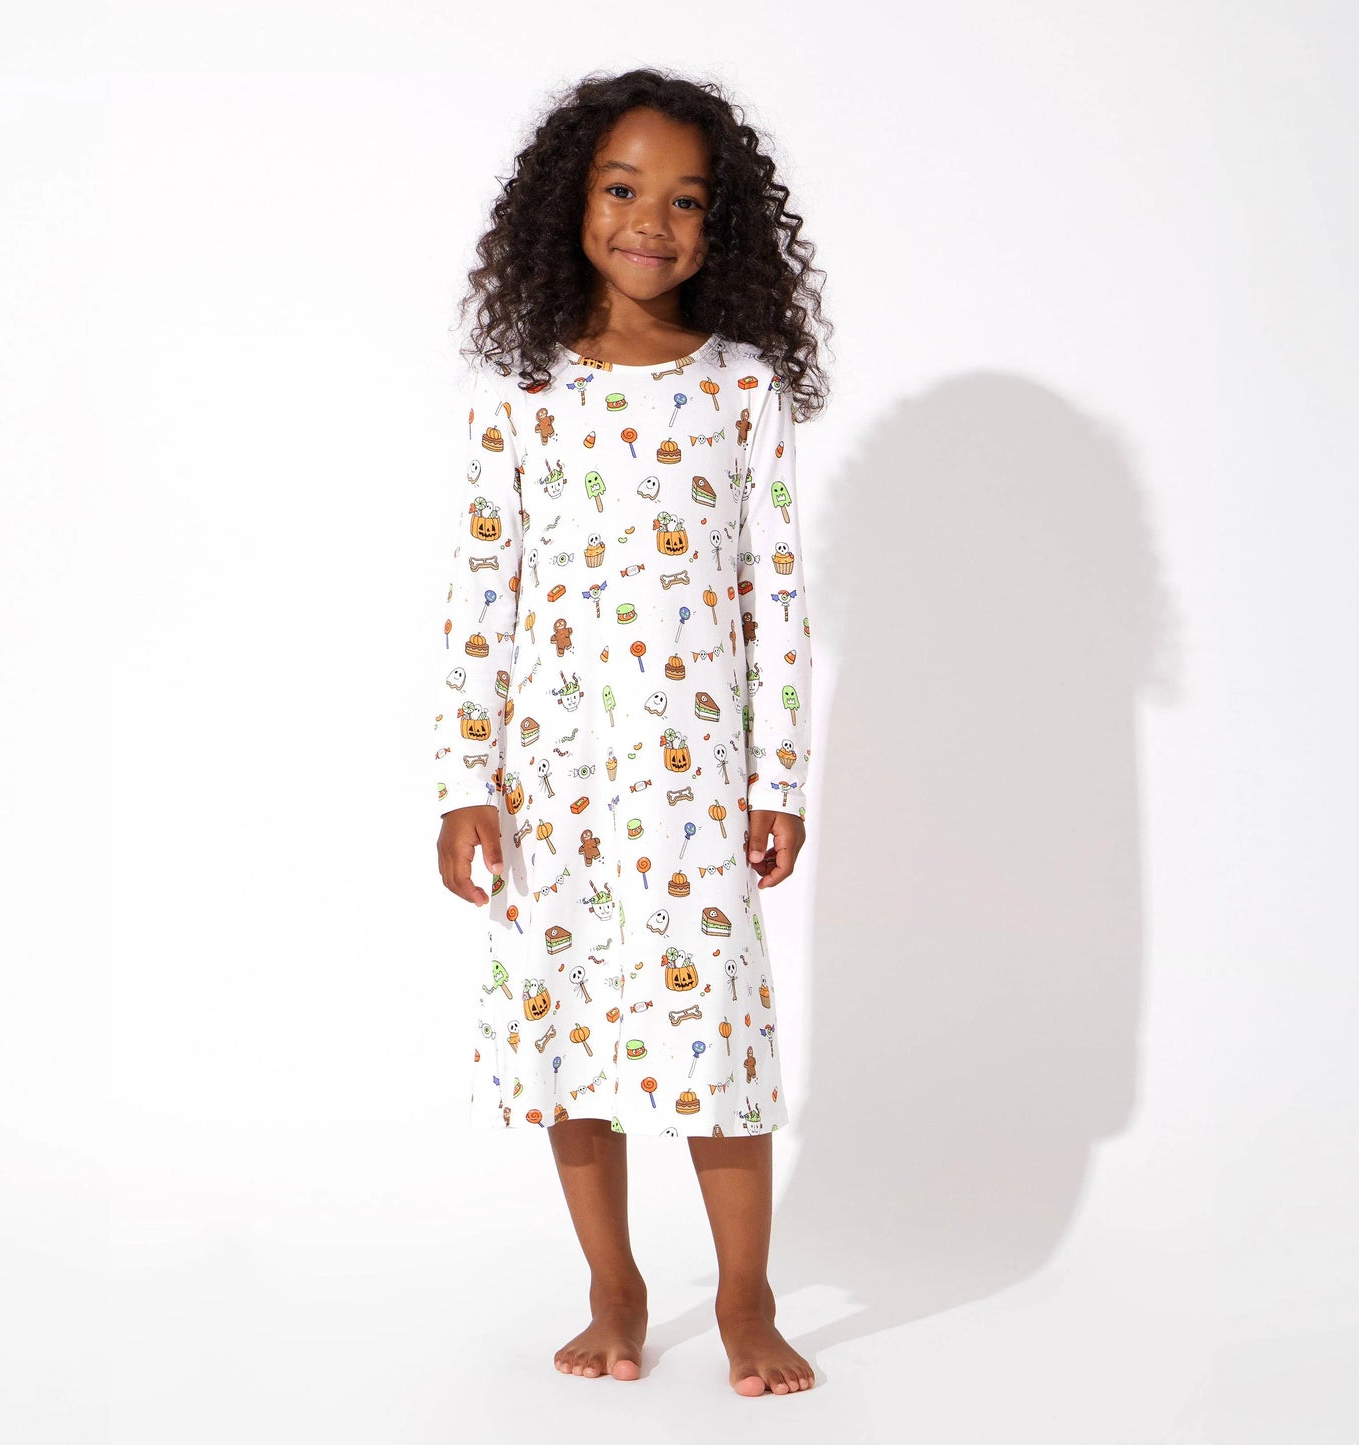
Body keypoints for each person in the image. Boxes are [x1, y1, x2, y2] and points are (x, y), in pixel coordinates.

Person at [430, 68, 831, 1396]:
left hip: (691, 788)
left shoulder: (742, 389)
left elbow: (775, 592)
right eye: (621, 187)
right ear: (571, 201)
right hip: (550, 784)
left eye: (686, 200)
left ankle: (745, 1295)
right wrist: (464, 779)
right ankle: (612, 1284)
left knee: (716, 1042)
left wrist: (777, 777)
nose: (650, 220)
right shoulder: (520, 390)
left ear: (724, 227)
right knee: (570, 1042)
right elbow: (481, 589)